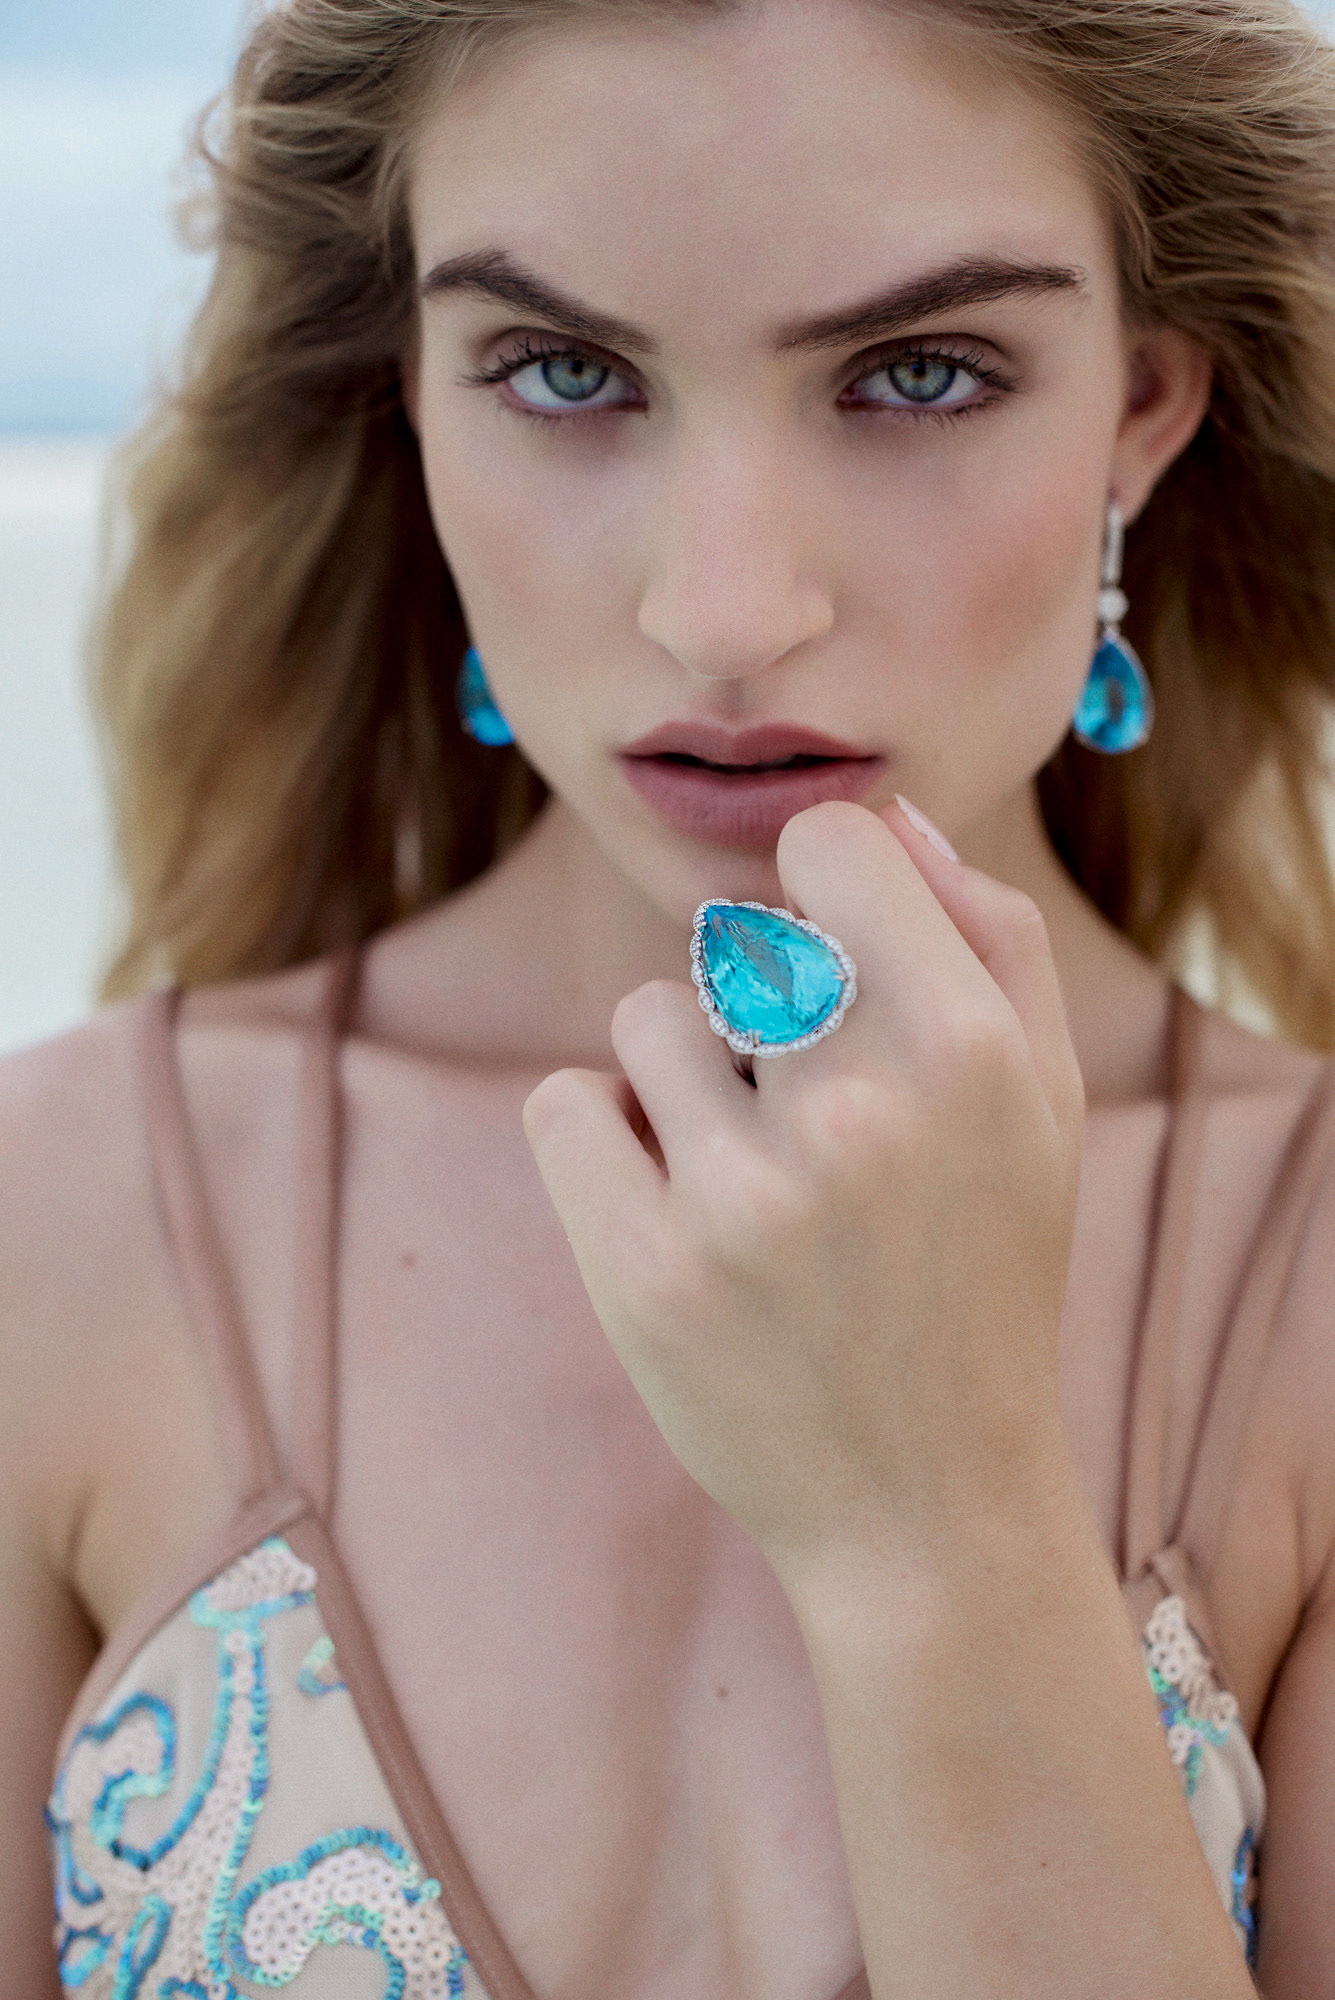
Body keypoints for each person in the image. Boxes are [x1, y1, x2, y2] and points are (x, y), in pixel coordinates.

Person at [6, 0, 1335, 1990]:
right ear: (410, 399)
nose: (722, 613)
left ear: (1143, 405)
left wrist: (937, 1522)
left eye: (918, 372)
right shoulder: (56, 1221)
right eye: (560, 370)